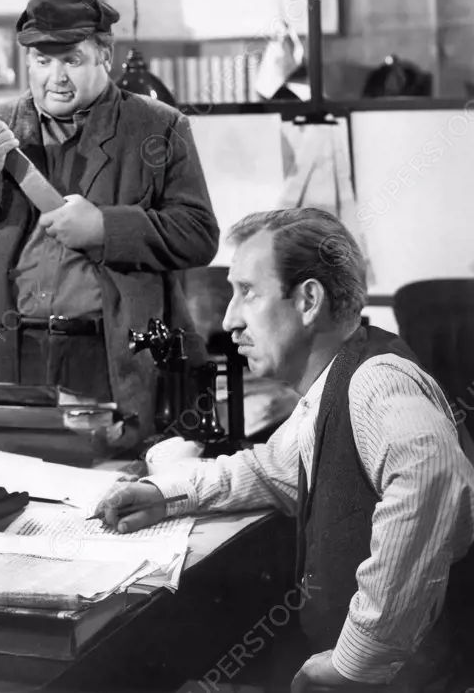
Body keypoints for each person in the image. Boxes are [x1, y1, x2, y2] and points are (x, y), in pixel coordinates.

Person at [96, 208, 474, 691]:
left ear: (308, 300)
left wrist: (355, 661)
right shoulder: (334, 384)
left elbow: (433, 476)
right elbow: (271, 469)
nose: (230, 319)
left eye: (247, 292)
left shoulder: (376, 381)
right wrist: (162, 493)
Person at [0, 0, 219, 442]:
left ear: (106, 55)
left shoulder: (159, 126)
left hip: (105, 355)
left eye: (72, 60)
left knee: (98, 488)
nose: (55, 77)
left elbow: (199, 234)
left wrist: (106, 227)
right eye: (43, 61)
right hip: (10, 351)